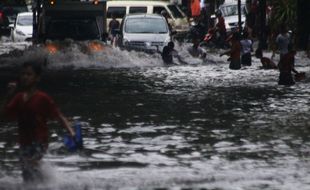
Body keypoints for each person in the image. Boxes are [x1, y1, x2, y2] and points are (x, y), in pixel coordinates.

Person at [1, 61, 75, 182]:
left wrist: (71, 132)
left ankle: (48, 184)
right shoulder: (18, 98)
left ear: (37, 78)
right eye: (23, 74)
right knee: (27, 174)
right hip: (24, 142)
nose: (25, 77)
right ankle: (46, 183)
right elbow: (3, 116)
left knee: (32, 164)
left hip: (39, 141)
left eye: (29, 74)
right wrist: (8, 95)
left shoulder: (42, 98)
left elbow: (58, 116)